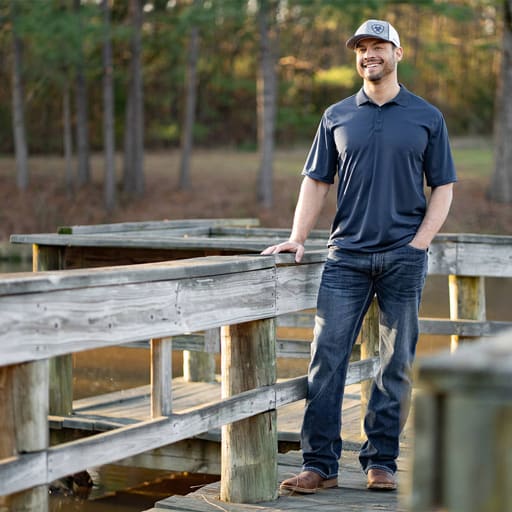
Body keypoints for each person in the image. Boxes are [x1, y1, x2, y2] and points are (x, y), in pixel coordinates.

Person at [261, 19, 457, 493]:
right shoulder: (336, 115)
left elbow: (444, 186)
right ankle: (320, 464)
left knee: (396, 362)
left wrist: (420, 241)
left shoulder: (426, 115)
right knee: (326, 359)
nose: (368, 54)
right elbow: (316, 181)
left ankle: (381, 461)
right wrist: (297, 236)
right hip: (345, 256)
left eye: (378, 46)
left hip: (403, 258)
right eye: (361, 48)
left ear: (398, 53)